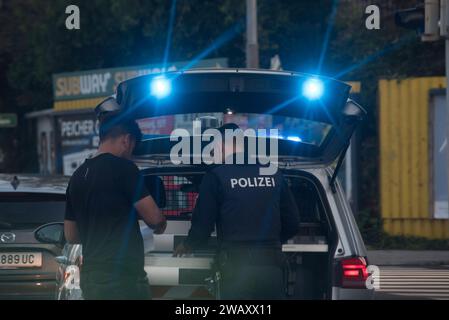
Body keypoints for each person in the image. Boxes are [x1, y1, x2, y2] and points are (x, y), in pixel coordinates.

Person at [174, 123, 300, 299]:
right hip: (272, 266)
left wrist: (188, 245)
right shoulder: (273, 172)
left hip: (235, 266)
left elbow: (203, 224)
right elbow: (293, 222)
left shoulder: (216, 175)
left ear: (220, 144)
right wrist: (270, 243)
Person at [64, 114, 167, 300]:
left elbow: (71, 235)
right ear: (127, 140)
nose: (131, 154)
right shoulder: (124, 169)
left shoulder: (77, 177)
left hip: (91, 277)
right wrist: (161, 224)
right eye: (133, 148)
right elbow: (154, 218)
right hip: (122, 277)